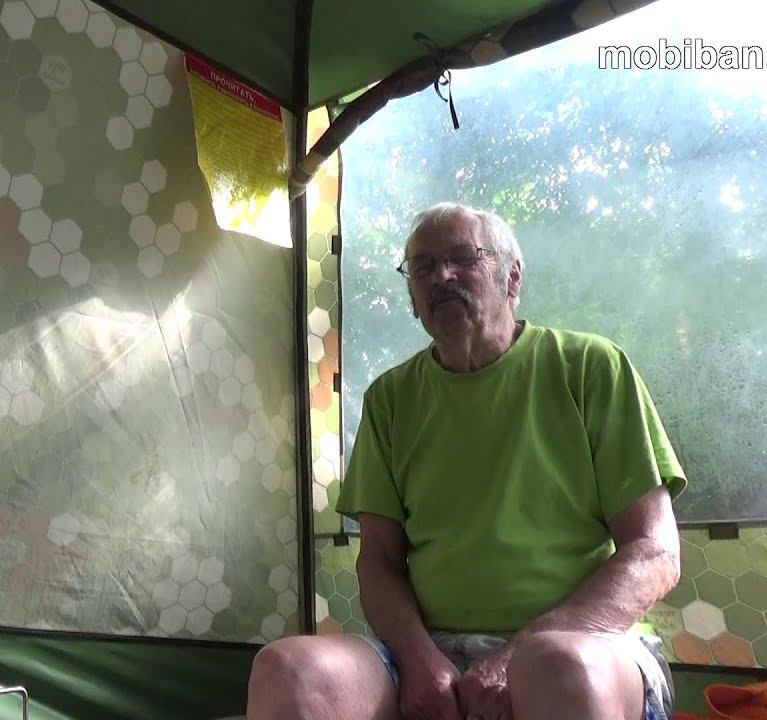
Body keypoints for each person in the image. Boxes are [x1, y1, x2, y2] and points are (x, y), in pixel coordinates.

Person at [246, 202, 686, 720]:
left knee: (558, 668)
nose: (442, 276)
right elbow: (379, 561)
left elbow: (655, 551)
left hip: (584, 639)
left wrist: (517, 655)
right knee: (287, 670)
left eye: (463, 258)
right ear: (412, 299)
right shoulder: (390, 399)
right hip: (431, 653)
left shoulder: (590, 368)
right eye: (423, 267)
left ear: (512, 278)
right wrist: (418, 658)